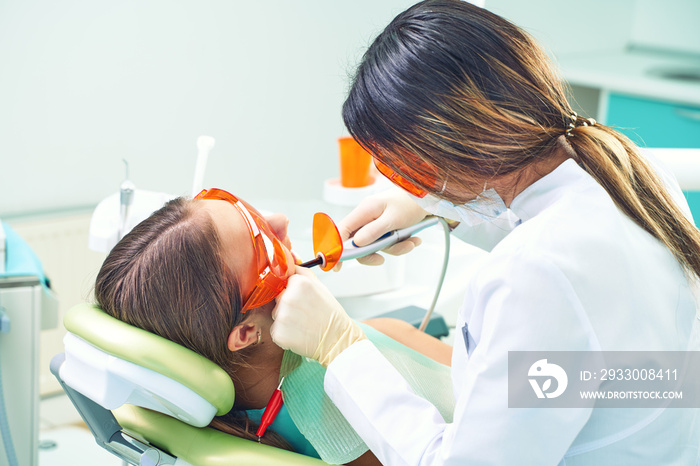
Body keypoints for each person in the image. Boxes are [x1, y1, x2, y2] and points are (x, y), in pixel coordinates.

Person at [269, 1, 700, 465]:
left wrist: (340, 349)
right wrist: (443, 208)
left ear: (443, 155)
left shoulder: (533, 274)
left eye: (406, 171)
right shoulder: (619, 164)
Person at [93, 188, 453, 466]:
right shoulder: (334, 414)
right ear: (246, 333)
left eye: (252, 214)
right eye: (262, 242)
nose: (280, 221)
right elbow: (495, 422)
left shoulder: (255, 404)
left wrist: (448, 204)